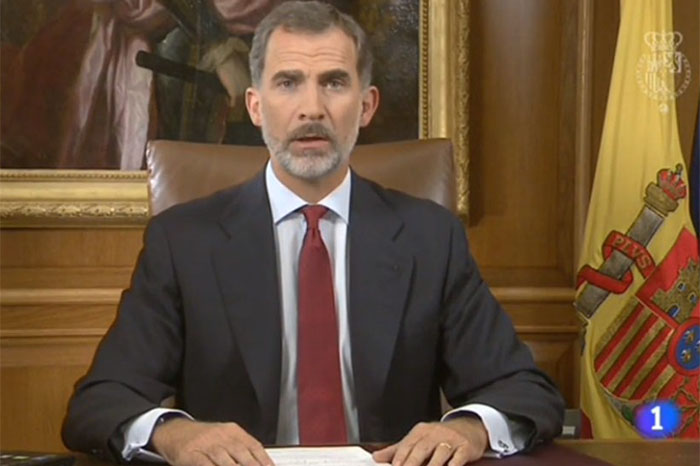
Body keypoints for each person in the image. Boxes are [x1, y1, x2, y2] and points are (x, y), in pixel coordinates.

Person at [62, 2, 565, 465]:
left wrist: (468, 429)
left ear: (366, 106)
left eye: (334, 82)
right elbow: (100, 402)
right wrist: (176, 434)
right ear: (255, 106)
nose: (312, 108)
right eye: (288, 83)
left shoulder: (428, 238)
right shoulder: (184, 242)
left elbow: (525, 390)